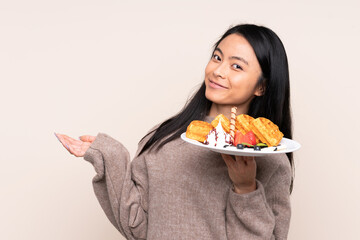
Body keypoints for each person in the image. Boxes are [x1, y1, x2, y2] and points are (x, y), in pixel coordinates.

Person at [55, 23, 293, 240]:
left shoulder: (271, 160)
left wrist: (245, 188)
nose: (218, 71)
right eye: (217, 57)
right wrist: (111, 155)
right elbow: (136, 227)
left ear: (261, 86)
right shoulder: (163, 140)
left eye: (236, 66)